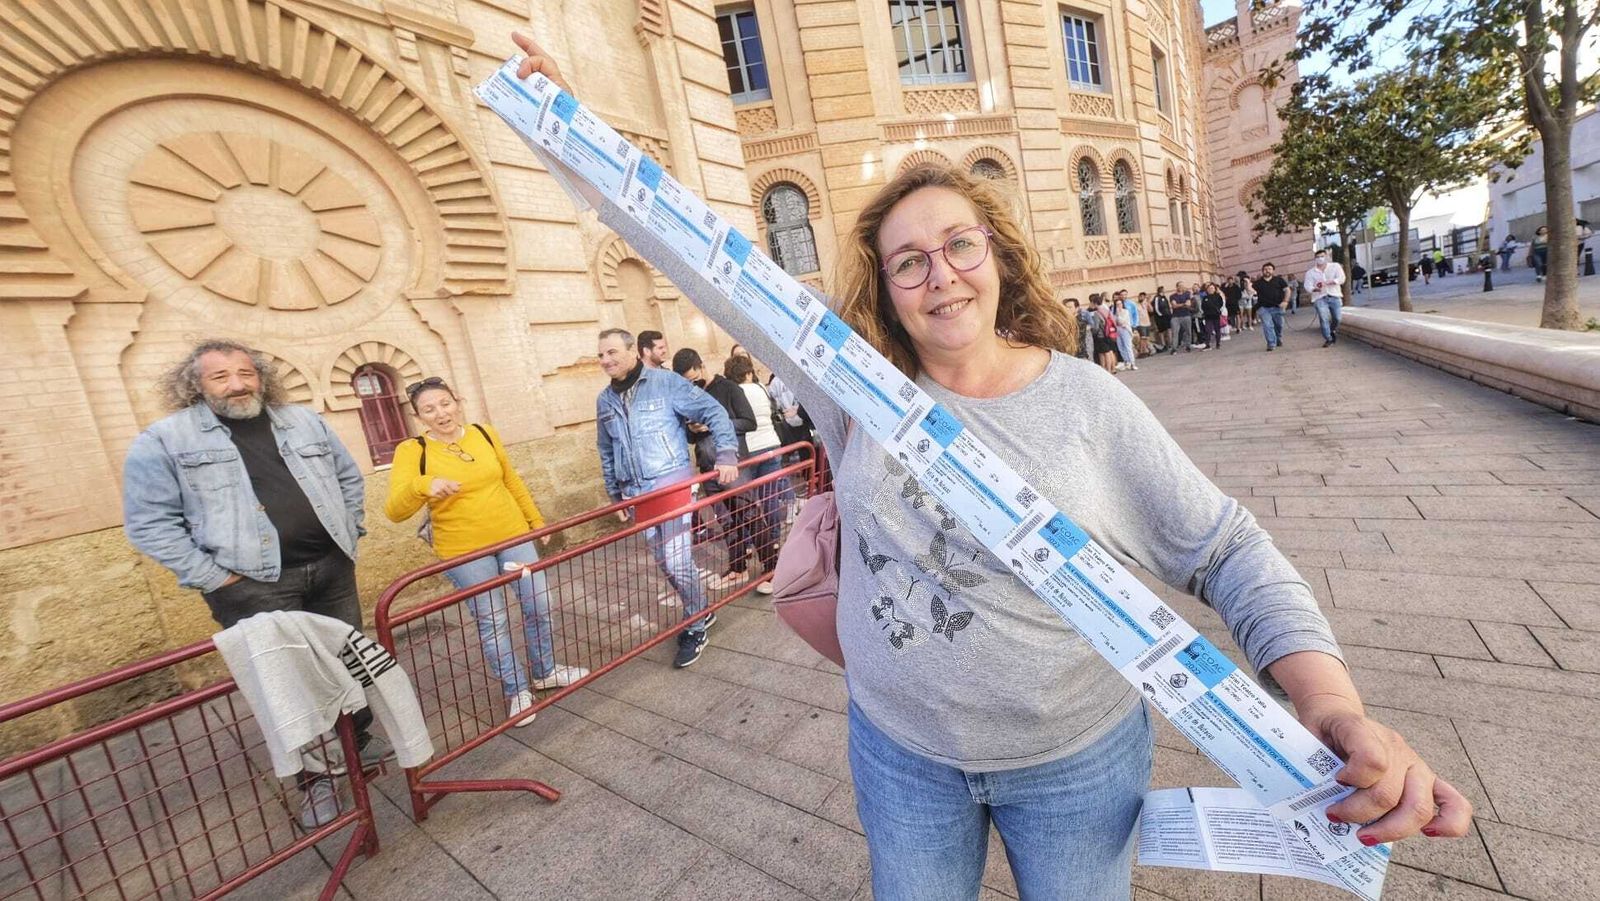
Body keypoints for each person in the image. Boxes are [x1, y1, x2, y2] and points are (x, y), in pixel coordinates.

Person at [512, 34, 1472, 898]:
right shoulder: (856, 392)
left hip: (1075, 762)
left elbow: (1225, 550)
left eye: (958, 245)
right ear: (886, 290)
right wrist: (568, 130)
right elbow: (701, 264)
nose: (941, 276)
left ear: (998, 256)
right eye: (909, 262)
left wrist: (1332, 708)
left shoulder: (1088, 405)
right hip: (900, 753)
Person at [122, 339, 392, 827]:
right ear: (195, 386)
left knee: (349, 663)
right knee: (286, 685)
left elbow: (349, 479)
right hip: (251, 587)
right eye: (220, 377)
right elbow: (150, 525)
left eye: (246, 373)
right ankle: (318, 782)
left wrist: (347, 531)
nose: (237, 384)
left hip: (331, 569)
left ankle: (359, 749)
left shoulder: (304, 421)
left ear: (261, 377)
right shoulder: (164, 440)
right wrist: (215, 578)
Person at [383, 378, 588, 727]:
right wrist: (423, 485)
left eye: (445, 403)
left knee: (538, 604)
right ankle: (516, 690)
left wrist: (536, 523)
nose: (440, 413)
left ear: (457, 401)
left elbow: (511, 481)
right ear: (418, 417)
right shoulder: (412, 451)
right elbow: (394, 511)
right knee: (493, 621)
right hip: (464, 551)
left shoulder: (484, 433)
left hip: (513, 536)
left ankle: (545, 671)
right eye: (429, 409)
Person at [595, 328, 740, 668]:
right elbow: (605, 448)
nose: (605, 360)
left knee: (676, 561)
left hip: (671, 483)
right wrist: (614, 492)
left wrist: (727, 454)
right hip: (636, 493)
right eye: (601, 354)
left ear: (633, 352)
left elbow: (714, 412)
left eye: (612, 352)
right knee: (664, 563)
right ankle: (700, 607)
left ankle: (696, 620)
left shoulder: (666, 383)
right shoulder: (604, 400)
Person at [728, 354, 785, 594]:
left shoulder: (734, 393)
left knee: (750, 505)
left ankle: (756, 543)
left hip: (749, 451)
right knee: (770, 500)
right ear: (749, 372)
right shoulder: (762, 388)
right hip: (772, 445)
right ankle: (773, 545)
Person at [1305, 249, 1346, 347]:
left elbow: (1342, 278)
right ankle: (1328, 338)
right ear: (1315, 259)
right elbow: (1307, 285)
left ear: (1326, 257)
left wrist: (1332, 281)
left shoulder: (1335, 266)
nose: (1320, 259)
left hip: (1334, 295)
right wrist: (1314, 289)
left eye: (1322, 256)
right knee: (1324, 318)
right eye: (1318, 257)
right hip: (1319, 297)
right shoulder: (1310, 273)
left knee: (1337, 318)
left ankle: (1332, 330)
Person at [1253, 262, 1289, 352]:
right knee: (1267, 325)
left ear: (1273, 270)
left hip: (1278, 307)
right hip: (1264, 308)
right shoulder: (1258, 283)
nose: (1267, 271)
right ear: (1262, 271)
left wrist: (1285, 301)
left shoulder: (1279, 280)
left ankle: (1278, 338)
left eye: (1269, 269)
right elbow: (1252, 291)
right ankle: (1271, 343)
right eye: (1265, 269)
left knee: (1279, 325)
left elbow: (1287, 290)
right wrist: (1247, 284)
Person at [1167, 282, 1196, 353]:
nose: (1181, 287)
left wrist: (1179, 305)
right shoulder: (1172, 296)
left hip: (1186, 315)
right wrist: (1183, 304)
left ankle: (1188, 346)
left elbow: (1188, 304)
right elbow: (1174, 306)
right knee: (1175, 332)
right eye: (1180, 286)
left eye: (1182, 286)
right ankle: (1174, 348)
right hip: (1175, 316)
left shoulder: (1187, 294)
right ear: (1177, 287)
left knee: (1188, 331)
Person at [1113, 290, 1138, 371]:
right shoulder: (1114, 312)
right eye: (1117, 304)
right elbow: (1114, 321)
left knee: (1128, 346)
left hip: (1125, 329)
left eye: (1120, 304)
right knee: (1120, 347)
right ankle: (1126, 361)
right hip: (1118, 330)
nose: (1119, 305)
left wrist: (1118, 315)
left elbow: (1122, 321)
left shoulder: (1125, 311)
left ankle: (1132, 363)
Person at [1199, 282, 1225, 350]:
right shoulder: (1205, 298)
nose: (1210, 290)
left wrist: (1218, 310)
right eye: (1209, 288)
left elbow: (1221, 304)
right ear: (1207, 290)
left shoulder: (1218, 296)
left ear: (1214, 289)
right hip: (1208, 317)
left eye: (1212, 288)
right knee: (1208, 330)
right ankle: (1207, 344)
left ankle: (1218, 343)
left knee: (1217, 330)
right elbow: (1203, 306)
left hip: (1216, 315)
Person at [1151, 286, 1172, 352]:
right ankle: (1163, 344)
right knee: (1161, 331)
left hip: (1167, 316)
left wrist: (1169, 313)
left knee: (1169, 329)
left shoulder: (1164, 297)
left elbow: (1168, 306)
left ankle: (1170, 343)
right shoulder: (1157, 298)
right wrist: (1161, 315)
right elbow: (1156, 308)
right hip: (1160, 317)